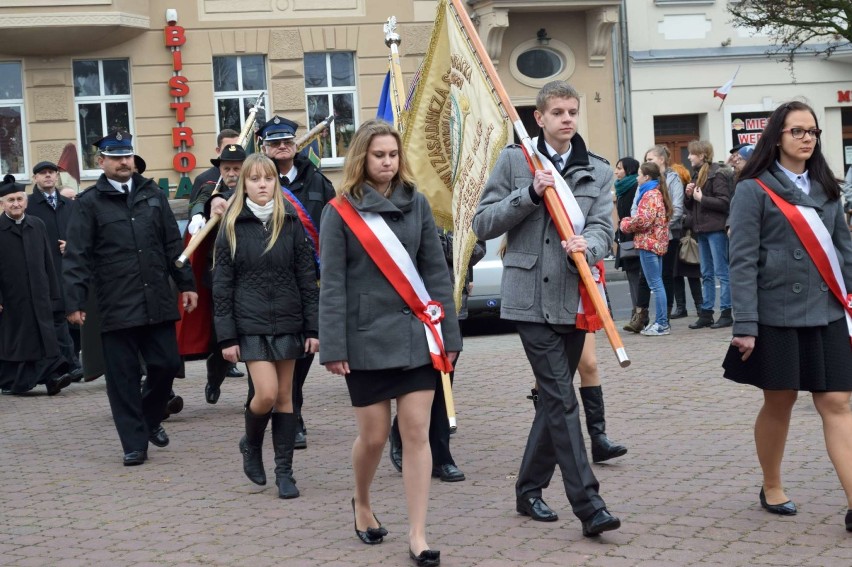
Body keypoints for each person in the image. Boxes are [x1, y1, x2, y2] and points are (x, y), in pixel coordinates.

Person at [473, 80, 620, 537]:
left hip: (575, 299)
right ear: (539, 118)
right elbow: (483, 221)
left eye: (572, 111)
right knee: (560, 396)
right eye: (557, 112)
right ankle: (589, 504)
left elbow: (603, 230)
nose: (567, 119)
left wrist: (590, 244)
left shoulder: (597, 169)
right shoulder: (516, 161)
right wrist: (530, 195)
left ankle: (528, 489)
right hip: (528, 299)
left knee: (552, 404)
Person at [319, 119, 461, 565]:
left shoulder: (415, 202)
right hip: (364, 339)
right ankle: (362, 501)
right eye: (379, 154)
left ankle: (418, 534)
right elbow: (332, 284)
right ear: (363, 158)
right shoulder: (339, 210)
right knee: (375, 437)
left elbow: (435, 270)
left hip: (415, 335)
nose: (387, 162)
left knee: (416, 432)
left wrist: (449, 333)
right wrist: (333, 346)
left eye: (393, 154)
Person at [723, 100, 852, 533]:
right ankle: (772, 484)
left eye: (812, 132)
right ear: (776, 136)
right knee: (780, 400)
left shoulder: (828, 189)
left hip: (827, 310)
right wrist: (745, 325)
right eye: (797, 131)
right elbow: (740, 262)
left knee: (837, 402)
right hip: (775, 314)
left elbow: (843, 253)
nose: (806, 138)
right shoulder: (753, 188)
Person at [63, 131, 198, 466]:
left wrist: (187, 284)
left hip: (156, 297)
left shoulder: (152, 194)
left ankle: (150, 419)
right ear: (102, 162)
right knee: (122, 378)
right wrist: (75, 302)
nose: (124, 162)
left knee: (166, 364)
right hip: (115, 302)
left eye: (127, 155)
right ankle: (134, 443)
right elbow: (77, 255)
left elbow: (172, 244)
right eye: (116, 156)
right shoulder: (89, 202)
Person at [213, 153, 319, 500]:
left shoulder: (290, 223)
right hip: (250, 323)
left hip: (288, 321)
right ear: (243, 184)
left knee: (287, 397)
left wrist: (313, 328)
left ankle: (284, 473)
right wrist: (227, 336)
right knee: (267, 394)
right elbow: (222, 287)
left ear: (276, 183)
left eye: (269, 179)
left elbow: (306, 278)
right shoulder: (231, 226)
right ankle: (251, 442)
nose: (262, 185)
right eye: (255, 179)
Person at [260, 115, 335, 449]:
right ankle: (278, 414)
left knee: (303, 352)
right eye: (275, 142)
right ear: (264, 147)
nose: (282, 147)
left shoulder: (317, 181)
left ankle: (293, 412)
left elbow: (334, 222)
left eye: (286, 141)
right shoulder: (258, 180)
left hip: (312, 281)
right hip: (271, 282)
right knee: (273, 354)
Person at [388, 230, 485, 482]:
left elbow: (477, 249)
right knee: (421, 380)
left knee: (444, 382)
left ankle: (437, 454)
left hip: (452, 304)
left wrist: (444, 244)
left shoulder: (464, 202)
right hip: (415, 303)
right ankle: (413, 439)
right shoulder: (417, 202)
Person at [0, 176, 73, 396]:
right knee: (19, 341)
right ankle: (17, 382)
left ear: (26, 200)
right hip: (12, 299)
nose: (16, 204)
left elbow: (48, 262)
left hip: (40, 295)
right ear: (2, 204)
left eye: (20, 199)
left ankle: (52, 378)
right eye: (10, 200)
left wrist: (54, 292)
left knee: (46, 337)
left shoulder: (37, 225)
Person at [187, 143, 248, 405]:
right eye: (227, 168)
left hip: (251, 273)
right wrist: (198, 213)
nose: (233, 173)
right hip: (218, 274)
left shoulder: (257, 190)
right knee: (220, 336)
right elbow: (202, 199)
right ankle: (214, 379)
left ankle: (254, 399)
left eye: (237, 168)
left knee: (252, 337)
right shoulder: (211, 189)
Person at [26, 160, 83, 381]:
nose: (48, 176)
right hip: (42, 270)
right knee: (55, 316)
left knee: (72, 316)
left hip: (69, 268)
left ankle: (71, 362)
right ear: (35, 179)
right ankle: (67, 364)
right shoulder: (29, 204)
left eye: (51, 173)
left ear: (57, 177)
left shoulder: (69, 205)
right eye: (43, 173)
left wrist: (71, 245)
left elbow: (80, 232)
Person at [685, 140, 733, 329]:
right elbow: (691, 207)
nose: (689, 157)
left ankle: (726, 312)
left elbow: (724, 202)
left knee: (722, 271)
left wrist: (701, 198)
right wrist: (689, 195)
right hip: (702, 229)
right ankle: (707, 313)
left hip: (715, 229)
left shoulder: (717, 174)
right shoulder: (698, 174)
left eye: (692, 154)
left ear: (702, 155)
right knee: (706, 273)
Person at [620, 162, 672, 336]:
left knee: (656, 284)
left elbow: (643, 220)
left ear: (647, 177)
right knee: (657, 283)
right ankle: (661, 322)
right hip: (656, 243)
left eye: (639, 174)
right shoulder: (655, 192)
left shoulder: (649, 194)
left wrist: (625, 223)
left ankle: (662, 324)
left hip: (649, 243)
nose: (637, 177)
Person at [643, 146, 684, 319]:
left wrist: (662, 227)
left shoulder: (672, 178)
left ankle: (664, 315)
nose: (647, 162)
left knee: (666, 274)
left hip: (668, 235)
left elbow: (677, 208)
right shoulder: (646, 180)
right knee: (651, 277)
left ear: (662, 159)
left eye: (650, 159)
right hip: (648, 236)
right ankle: (648, 314)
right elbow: (639, 206)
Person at [615, 157, 646, 333]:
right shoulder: (621, 188)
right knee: (631, 275)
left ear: (629, 170)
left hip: (635, 236)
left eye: (619, 168)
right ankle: (635, 313)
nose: (616, 171)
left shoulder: (635, 187)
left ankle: (641, 314)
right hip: (625, 236)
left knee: (638, 276)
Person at [669, 162, 703, 316]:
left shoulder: (687, 192)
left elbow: (692, 214)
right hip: (676, 237)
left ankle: (699, 306)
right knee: (675, 275)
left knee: (692, 273)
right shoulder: (672, 193)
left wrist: (680, 220)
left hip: (687, 237)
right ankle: (682, 307)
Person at [189, 128, 240, 205]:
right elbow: (194, 208)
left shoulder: (249, 176)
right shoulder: (203, 179)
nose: (232, 153)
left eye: (237, 148)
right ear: (218, 151)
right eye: (227, 149)